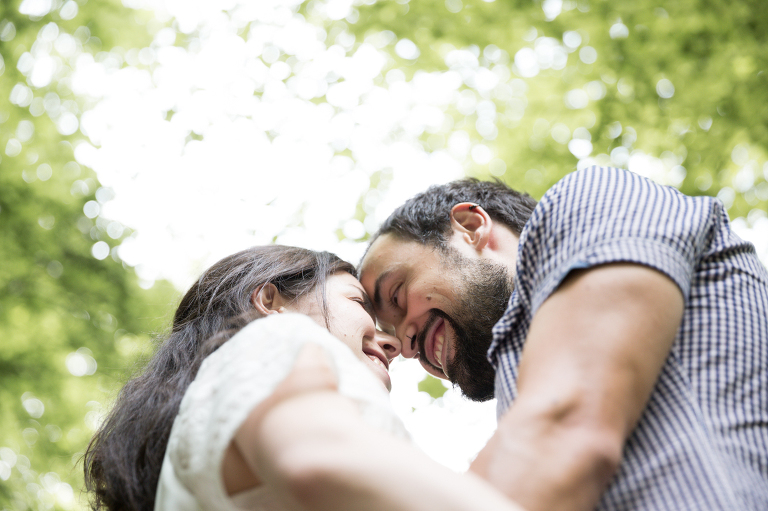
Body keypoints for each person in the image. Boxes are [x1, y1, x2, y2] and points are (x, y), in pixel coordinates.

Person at [359, 166, 768, 511]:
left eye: (397, 295)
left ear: (470, 226)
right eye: (391, 334)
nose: (406, 346)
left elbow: (565, 429)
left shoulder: (594, 198)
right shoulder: (522, 400)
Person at [84, 245, 525, 511]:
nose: (394, 343)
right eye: (359, 303)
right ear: (270, 302)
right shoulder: (273, 338)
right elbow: (318, 460)